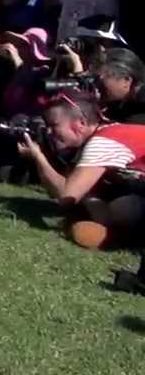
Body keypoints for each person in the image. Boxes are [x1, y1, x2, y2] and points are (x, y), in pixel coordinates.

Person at [17, 92, 144, 249]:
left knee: (124, 208)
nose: (49, 132)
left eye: (54, 125)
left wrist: (38, 157)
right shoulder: (104, 134)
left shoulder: (103, 142)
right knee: (95, 199)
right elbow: (63, 193)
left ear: (81, 123)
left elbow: (66, 195)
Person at [96, 48, 145, 125]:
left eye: (108, 76)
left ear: (127, 80)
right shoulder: (121, 102)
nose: (101, 82)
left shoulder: (139, 115)